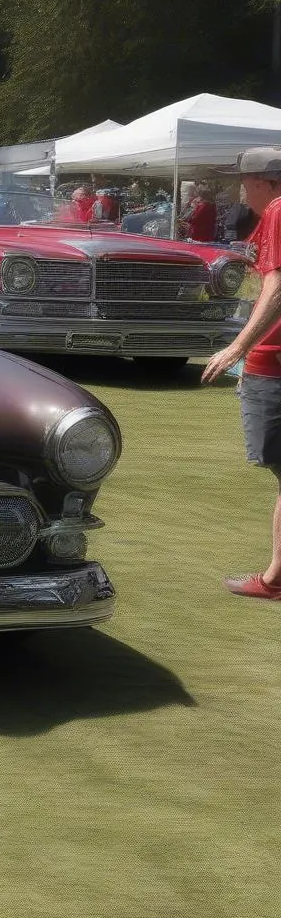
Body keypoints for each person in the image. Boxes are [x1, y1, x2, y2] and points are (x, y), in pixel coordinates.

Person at [202, 147, 281, 598]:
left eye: (244, 180)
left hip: (274, 361)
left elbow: (277, 284)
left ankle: (275, 579)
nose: (239, 189)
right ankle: (275, 577)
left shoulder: (277, 209)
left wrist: (238, 346)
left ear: (267, 183)